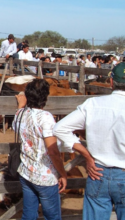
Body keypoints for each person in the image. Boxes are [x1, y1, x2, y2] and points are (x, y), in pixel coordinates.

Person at [54, 62, 125, 220]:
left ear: (111, 82)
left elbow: (59, 128)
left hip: (97, 172)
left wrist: (86, 155)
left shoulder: (93, 104)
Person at [14, 79, 67, 220]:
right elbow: (53, 151)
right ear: (45, 97)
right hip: (45, 176)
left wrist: (20, 104)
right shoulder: (46, 118)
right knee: (52, 216)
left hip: (26, 172)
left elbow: (15, 124)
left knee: (29, 214)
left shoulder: (21, 114)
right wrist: (62, 173)